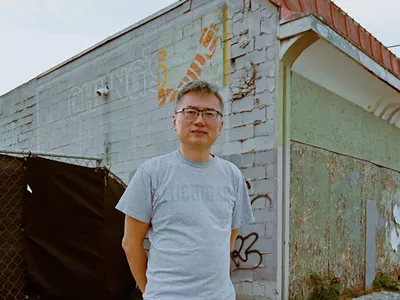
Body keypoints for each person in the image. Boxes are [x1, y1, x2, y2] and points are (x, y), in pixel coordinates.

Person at [116, 80, 255, 300]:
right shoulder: (151, 173)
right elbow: (130, 243)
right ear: (175, 121)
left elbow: (230, 233)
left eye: (210, 113)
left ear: (220, 125)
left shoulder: (233, 175)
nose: (200, 120)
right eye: (190, 112)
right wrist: (150, 292)